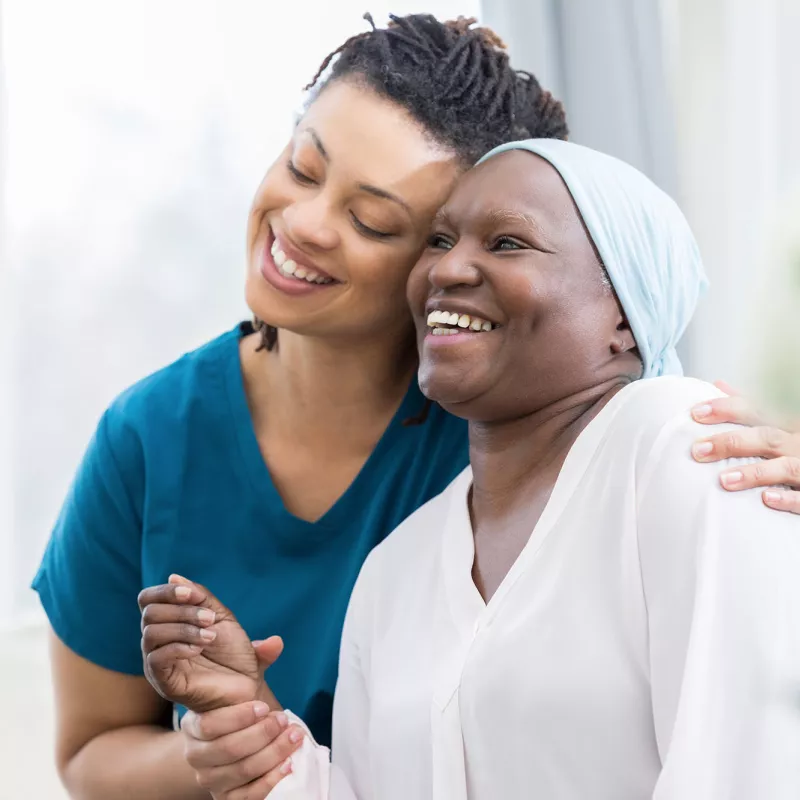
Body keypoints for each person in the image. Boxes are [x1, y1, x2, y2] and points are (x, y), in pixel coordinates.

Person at [35, 13, 799, 800]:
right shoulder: (386, 555)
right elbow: (99, 752)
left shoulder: (601, 433)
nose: (303, 223)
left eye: (374, 221)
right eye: (302, 167)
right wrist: (233, 736)